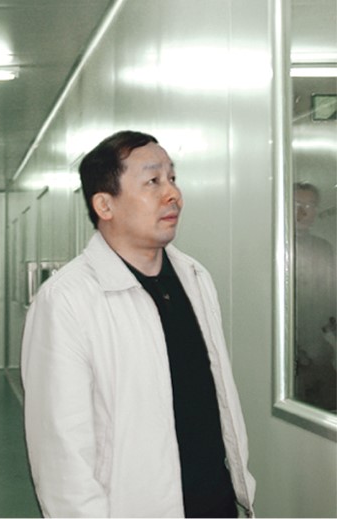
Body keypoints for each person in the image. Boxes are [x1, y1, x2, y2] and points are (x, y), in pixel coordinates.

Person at [21, 130, 256, 517]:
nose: (173, 194)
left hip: (216, 504)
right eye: (153, 181)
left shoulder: (195, 279)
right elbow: (61, 457)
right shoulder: (66, 301)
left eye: (173, 178)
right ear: (104, 205)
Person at [293, 182, 337, 411]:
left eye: (309, 206)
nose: (303, 212)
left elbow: (331, 300)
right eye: (297, 204)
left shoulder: (323, 248)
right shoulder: (274, 248)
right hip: (286, 361)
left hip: (319, 355)